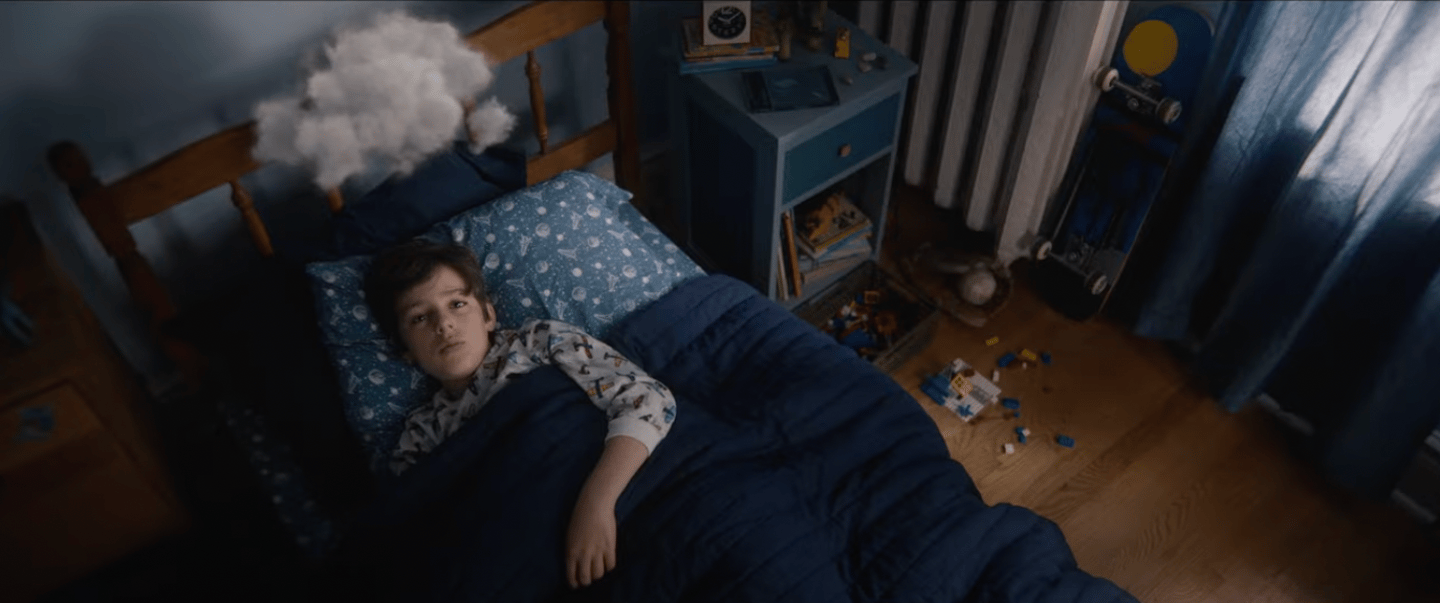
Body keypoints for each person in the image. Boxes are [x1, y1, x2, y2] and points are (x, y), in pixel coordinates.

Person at [362, 238, 676, 589]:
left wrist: (595, 506)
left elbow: (647, 398)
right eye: (420, 317)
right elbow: (423, 528)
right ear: (404, 350)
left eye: (457, 303)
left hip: (617, 498)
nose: (444, 324)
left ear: (488, 314)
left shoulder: (537, 343)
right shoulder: (421, 434)